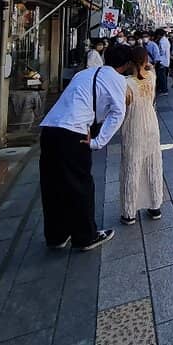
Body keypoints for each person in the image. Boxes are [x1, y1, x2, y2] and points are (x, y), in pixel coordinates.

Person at [39, 43, 133, 251]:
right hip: (74, 132)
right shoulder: (116, 79)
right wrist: (98, 142)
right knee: (79, 185)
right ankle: (85, 236)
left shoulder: (83, 74)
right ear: (126, 65)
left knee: (52, 184)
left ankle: (56, 235)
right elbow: (118, 112)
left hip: (50, 128)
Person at [119, 46, 164, 225]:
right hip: (151, 124)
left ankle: (129, 212)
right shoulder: (152, 77)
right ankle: (155, 205)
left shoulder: (126, 83)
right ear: (145, 60)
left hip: (134, 124)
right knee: (153, 164)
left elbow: (123, 106)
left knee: (132, 166)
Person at [155, 29, 170, 96]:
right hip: (165, 60)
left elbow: (162, 51)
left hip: (162, 61)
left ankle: (164, 90)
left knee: (161, 76)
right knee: (163, 76)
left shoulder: (162, 41)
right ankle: (164, 89)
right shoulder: (166, 40)